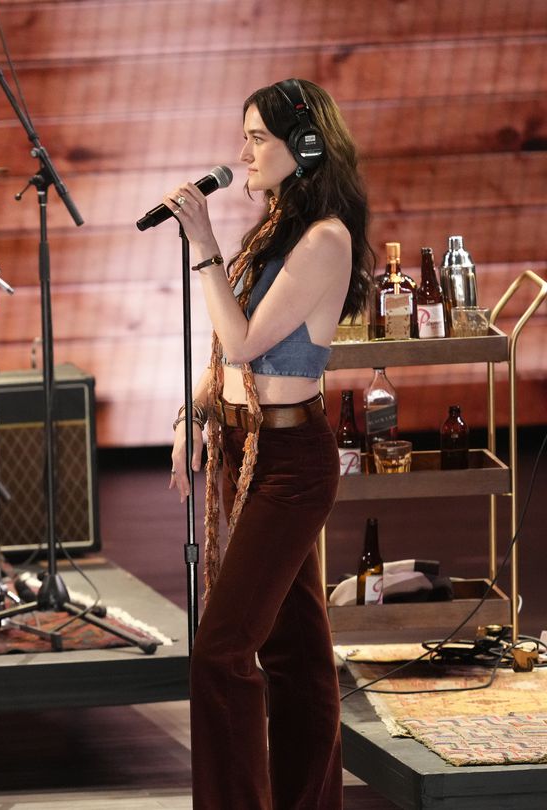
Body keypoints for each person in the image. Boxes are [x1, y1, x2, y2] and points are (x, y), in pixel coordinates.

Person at [165, 78, 373, 809]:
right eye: (245, 137)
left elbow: (246, 339)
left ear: (305, 145)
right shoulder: (277, 233)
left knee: (221, 652)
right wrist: (193, 416)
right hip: (245, 451)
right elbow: (227, 358)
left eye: (258, 138)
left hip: (289, 464)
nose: (242, 153)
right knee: (296, 655)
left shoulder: (325, 239)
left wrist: (202, 248)